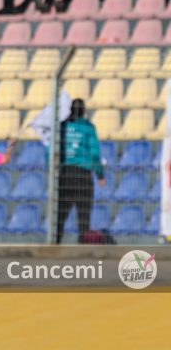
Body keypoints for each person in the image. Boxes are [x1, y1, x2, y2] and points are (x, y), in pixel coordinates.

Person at [56, 98, 104, 244]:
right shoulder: (88, 127)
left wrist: (51, 171)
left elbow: (51, 150)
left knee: (60, 213)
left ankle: (55, 243)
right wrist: (100, 174)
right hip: (83, 174)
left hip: (64, 174)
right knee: (84, 213)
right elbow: (94, 153)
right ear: (84, 110)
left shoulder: (61, 126)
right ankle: (82, 247)